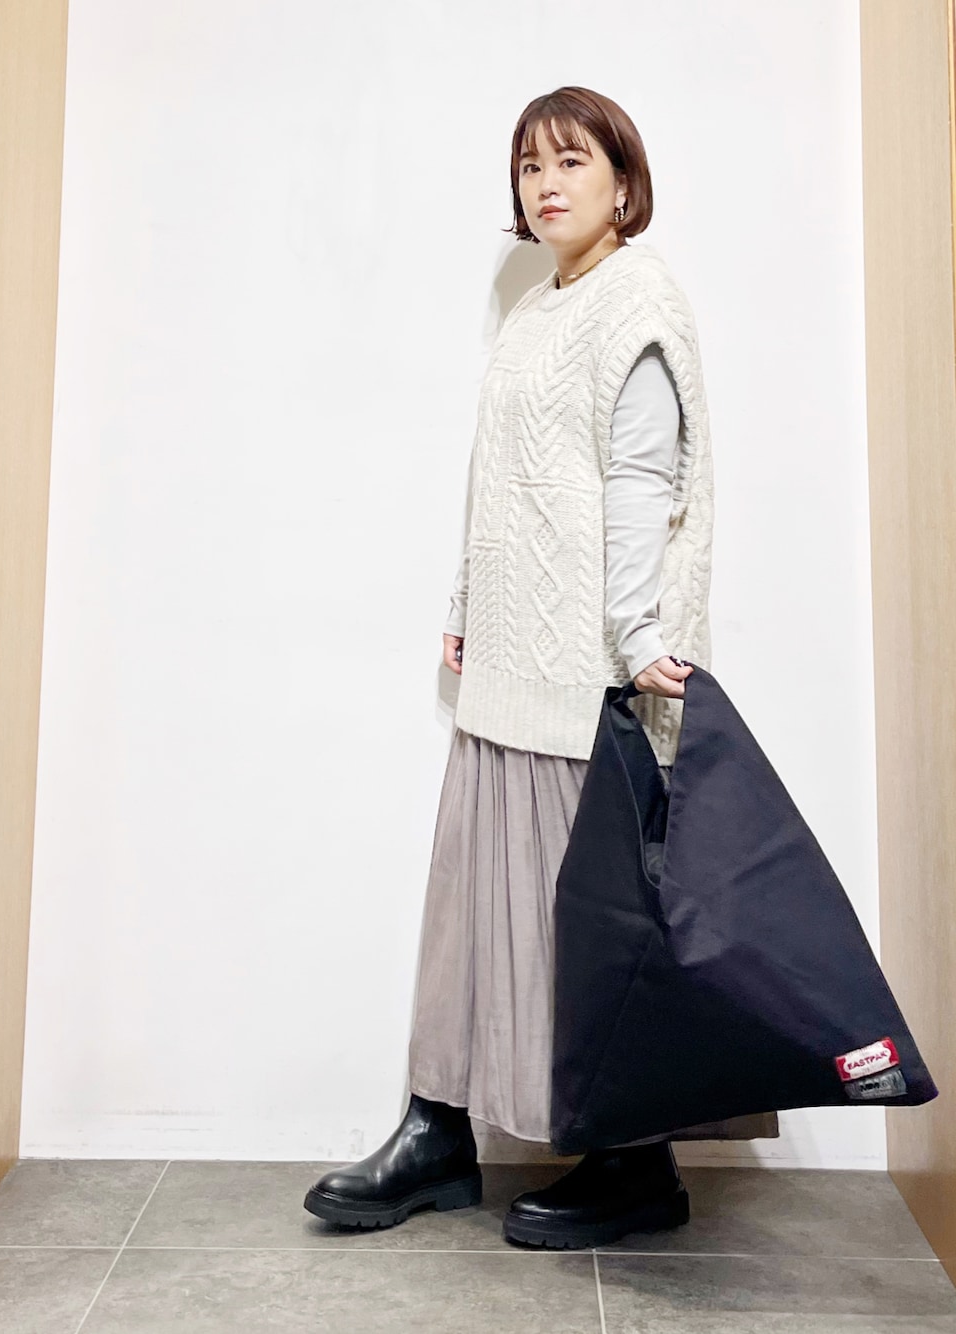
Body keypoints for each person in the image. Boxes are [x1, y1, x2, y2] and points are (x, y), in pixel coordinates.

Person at [304, 85, 775, 1249]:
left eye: (571, 159)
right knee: (470, 910)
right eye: (528, 166)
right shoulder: (532, 311)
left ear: (623, 181)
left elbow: (642, 483)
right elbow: (501, 473)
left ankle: (632, 1158)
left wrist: (635, 635)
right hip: (508, 664)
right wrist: (467, 600)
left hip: (583, 673)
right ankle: (439, 1130)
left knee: (590, 926)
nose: (546, 182)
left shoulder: (637, 302)